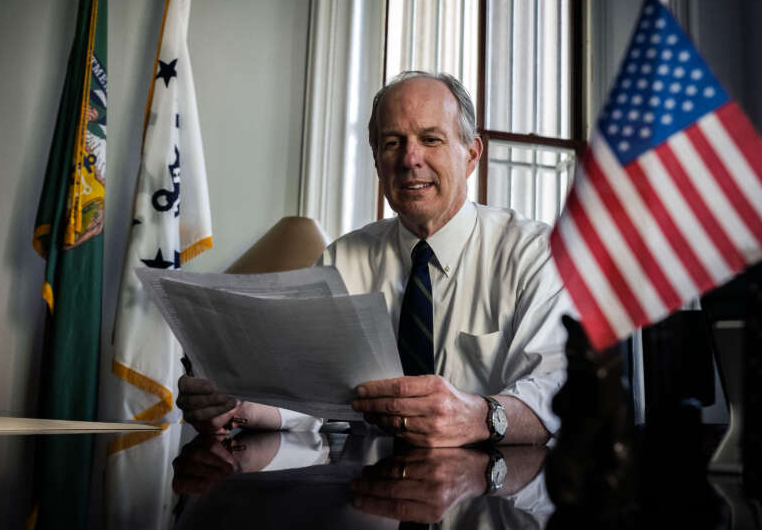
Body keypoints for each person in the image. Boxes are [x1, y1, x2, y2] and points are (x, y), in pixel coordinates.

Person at [178, 71, 570, 446]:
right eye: (392, 142)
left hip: (495, 496)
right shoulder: (343, 260)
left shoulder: (535, 254)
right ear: (377, 159)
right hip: (366, 492)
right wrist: (237, 408)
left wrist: (479, 416)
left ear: (471, 154)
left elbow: (554, 392)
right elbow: (312, 396)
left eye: (431, 139)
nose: (409, 159)